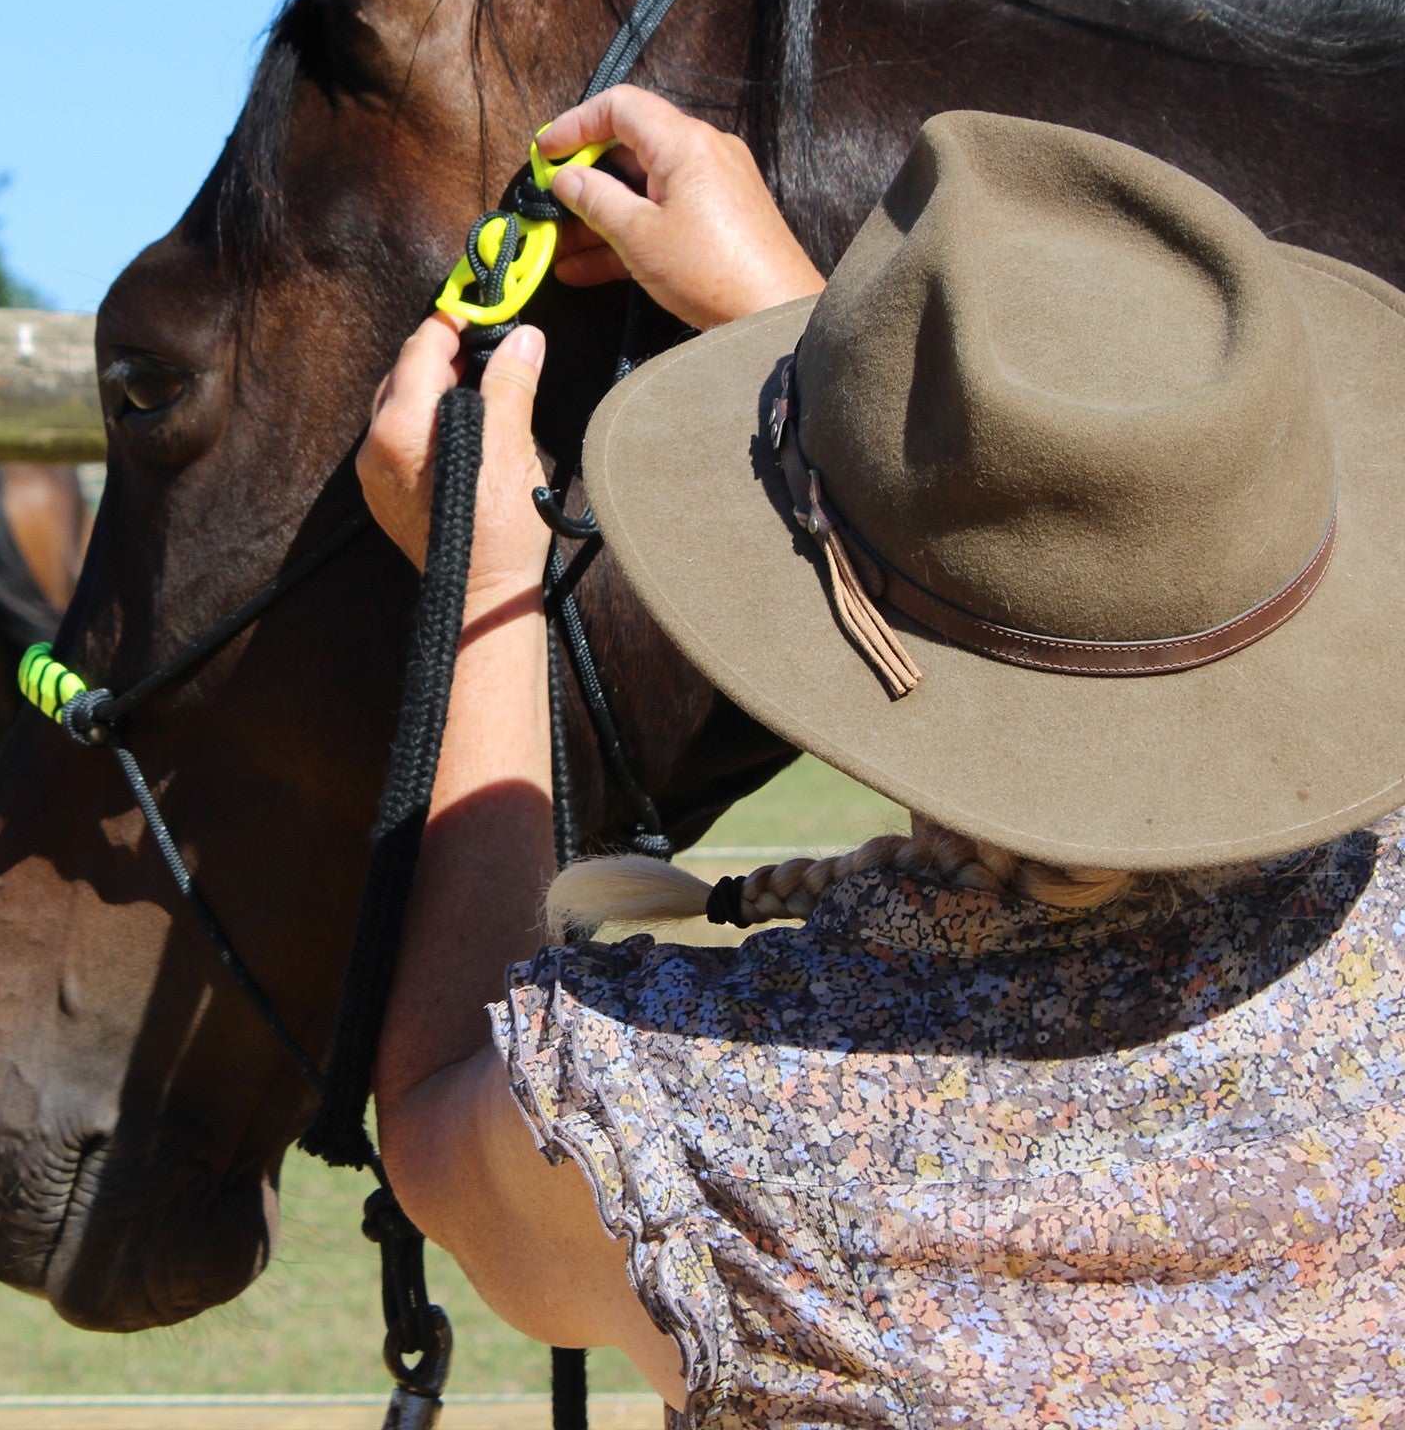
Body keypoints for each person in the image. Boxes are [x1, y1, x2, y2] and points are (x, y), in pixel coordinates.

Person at [359, 88, 1405, 1427]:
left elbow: (443, 1120)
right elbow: (1063, 652)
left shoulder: (733, 1114)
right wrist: (849, 356)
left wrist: (485, 585)